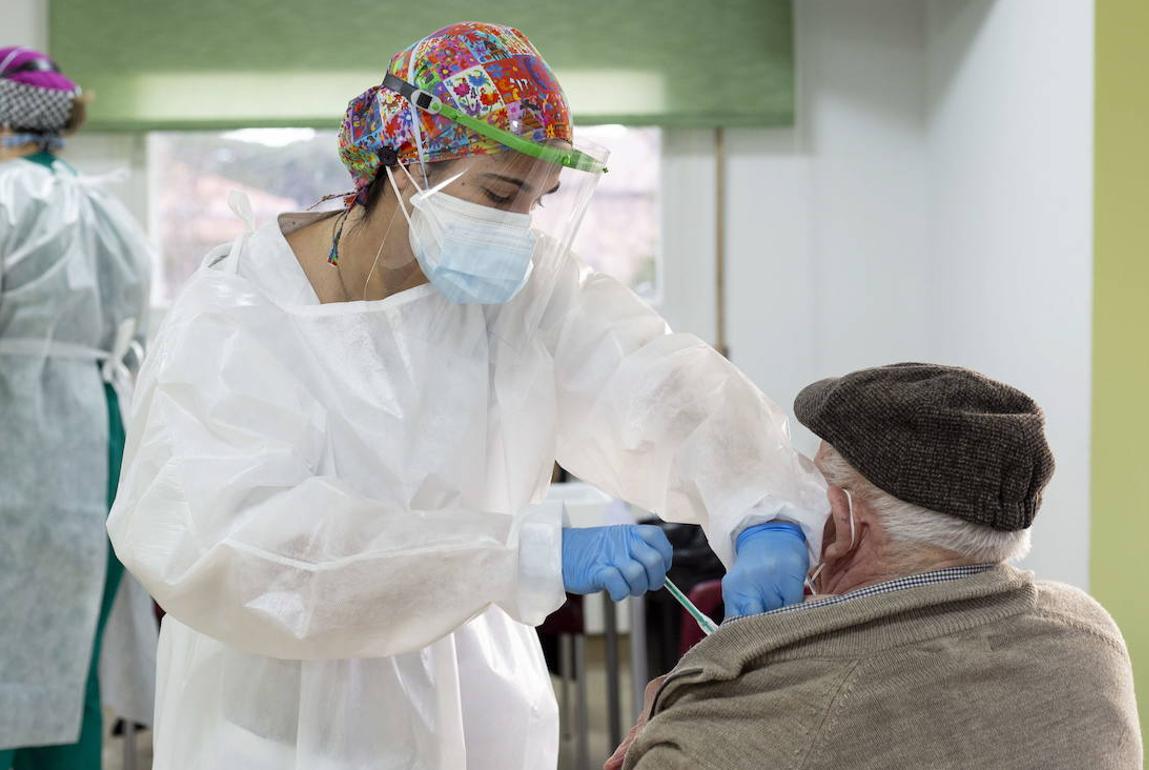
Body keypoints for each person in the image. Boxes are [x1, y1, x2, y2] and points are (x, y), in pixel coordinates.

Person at [106, 21, 828, 770]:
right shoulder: (240, 313)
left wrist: (762, 509)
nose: (516, 226)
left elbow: (655, 381)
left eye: (538, 201)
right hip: (277, 716)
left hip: (474, 691)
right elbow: (230, 542)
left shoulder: (520, 292)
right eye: (499, 191)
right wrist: (509, 556)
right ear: (404, 158)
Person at [610, 364, 1143, 770]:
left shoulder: (779, 718)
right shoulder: (1091, 636)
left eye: (811, 485)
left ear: (844, 521)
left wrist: (672, 709)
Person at [0, 47, 154, 770]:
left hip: (21, 438)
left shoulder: (6, 199)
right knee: (69, 649)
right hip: (96, 437)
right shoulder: (105, 206)